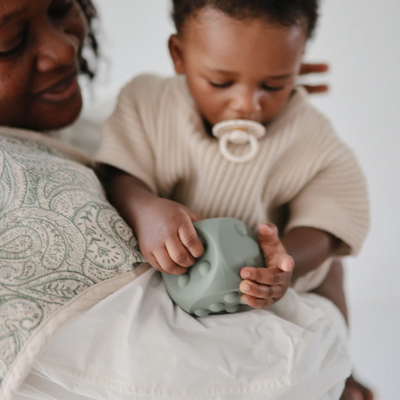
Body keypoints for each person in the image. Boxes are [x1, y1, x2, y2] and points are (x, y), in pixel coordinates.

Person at [0, 0, 372, 398]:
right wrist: (143, 207)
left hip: (275, 285)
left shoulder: (308, 132)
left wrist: (285, 260)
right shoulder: (148, 105)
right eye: (11, 41)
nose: (247, 104)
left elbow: (333, 215)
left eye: (272, 84)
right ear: (178, 54)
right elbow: (121, 172)